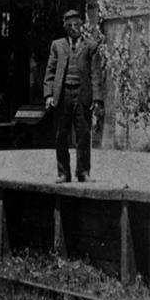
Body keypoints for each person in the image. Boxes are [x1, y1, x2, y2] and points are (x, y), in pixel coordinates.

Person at [43, 9, 104, 183]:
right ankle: (63, 173)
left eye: (76, 24)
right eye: (70, 25)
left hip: (82, 94)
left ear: (81, 25)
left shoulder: (91, 46)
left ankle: (83, 172)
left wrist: (97, 99)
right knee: (61, 134)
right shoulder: (57, 45)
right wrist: (48, 95)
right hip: (63, 96)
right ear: (65, 27)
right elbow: (50, 71)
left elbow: (96, 75)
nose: (74, 28)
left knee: (83, 134)